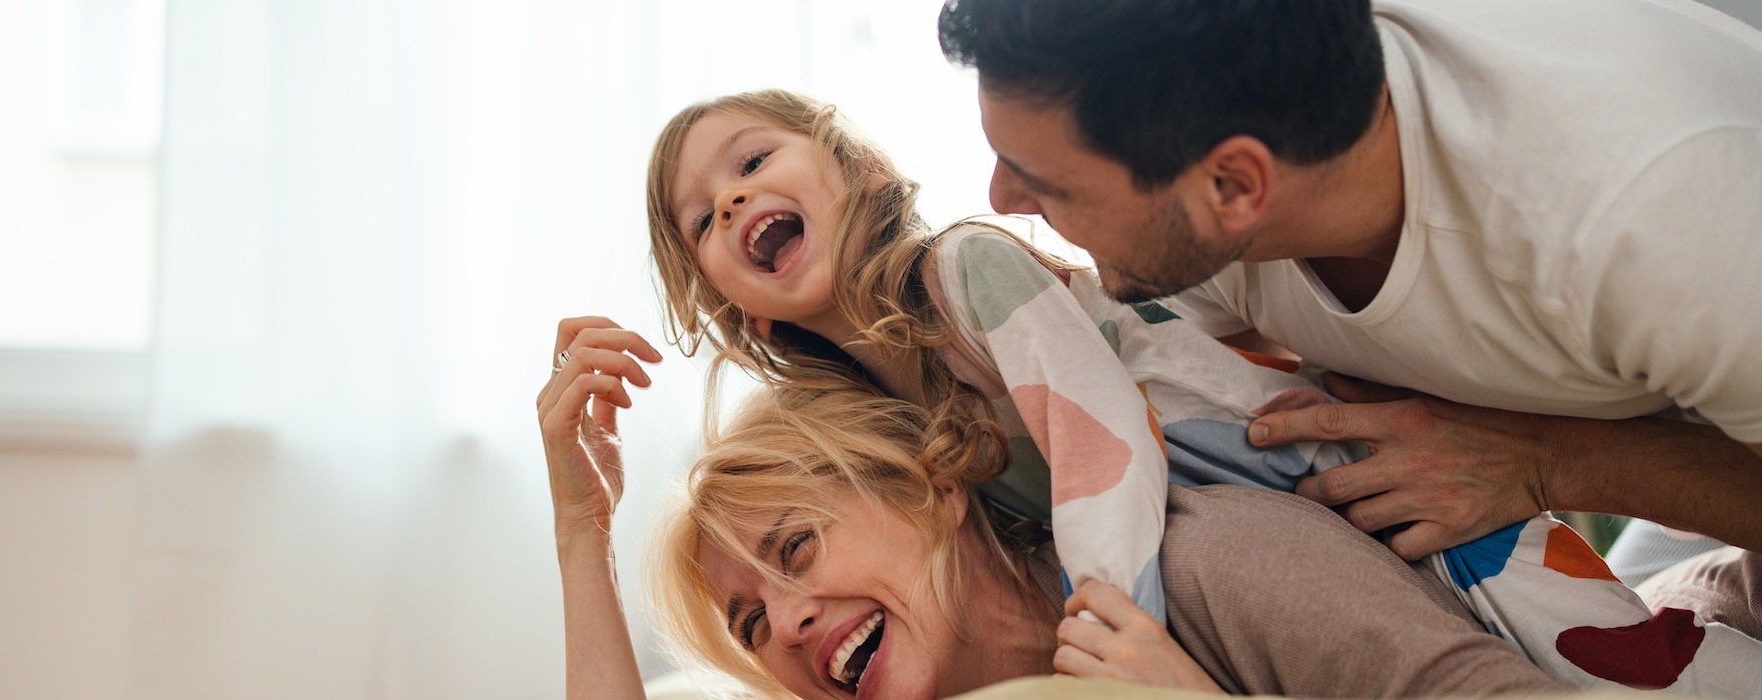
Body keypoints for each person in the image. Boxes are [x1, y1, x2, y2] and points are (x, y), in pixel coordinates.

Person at [641, 88, 1762, 692]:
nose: (733, 201)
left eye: (753, 162)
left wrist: (1106, 628)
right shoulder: (884, 410)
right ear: (738, 307)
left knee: (1585, 636)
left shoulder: (965, 271)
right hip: (1235, 494)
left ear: (859, 170)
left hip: (1295, 445)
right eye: (701, 219)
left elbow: (1102, 444)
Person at [938, 0, 1762, 632]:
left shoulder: (1653, 216)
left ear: (1234, 187)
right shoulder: (1216, 195)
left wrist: (1545, 460)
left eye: (1046, 181)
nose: (1001, 201)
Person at [537, 337, 1572, 697]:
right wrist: (583, 535)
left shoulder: (1211, 563)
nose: (790, 622)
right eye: (751, 624)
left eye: (796, 547)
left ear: (934, 487)